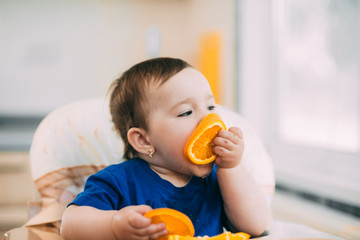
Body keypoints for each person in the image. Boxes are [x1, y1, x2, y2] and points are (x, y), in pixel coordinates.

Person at [60, 57, 271, 240]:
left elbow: (256, 225)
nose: (208, 120)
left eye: (210, 107)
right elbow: (69, 225)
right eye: (186, 112)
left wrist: (232, 167)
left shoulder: (219, 178)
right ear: (143, 140)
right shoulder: (119, 181)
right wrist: (114, 225)